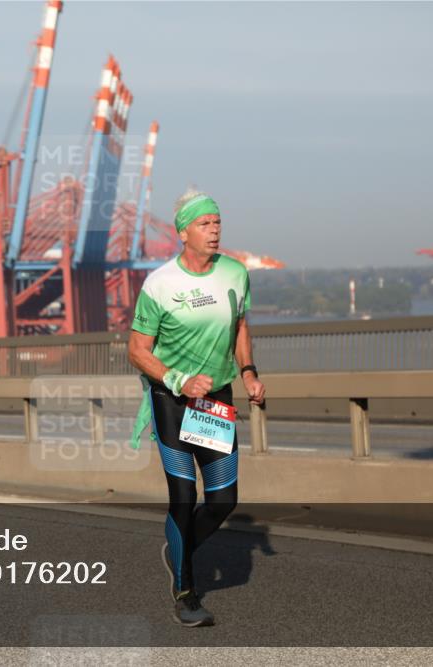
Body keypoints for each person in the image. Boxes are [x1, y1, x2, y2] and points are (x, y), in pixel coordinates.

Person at [127, 190, 266, 627]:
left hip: (215, 401)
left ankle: (178, 546)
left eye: (218, 222)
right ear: (182, 232)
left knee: (224, 500)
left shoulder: (236, 273)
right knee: (184, 497)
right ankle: (186, 592)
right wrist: (178, 379)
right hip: (171, 399)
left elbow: (241, 324)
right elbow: (137, 349)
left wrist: (247, 372)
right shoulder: (160, 283)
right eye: (204, 224)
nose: (215, 229)